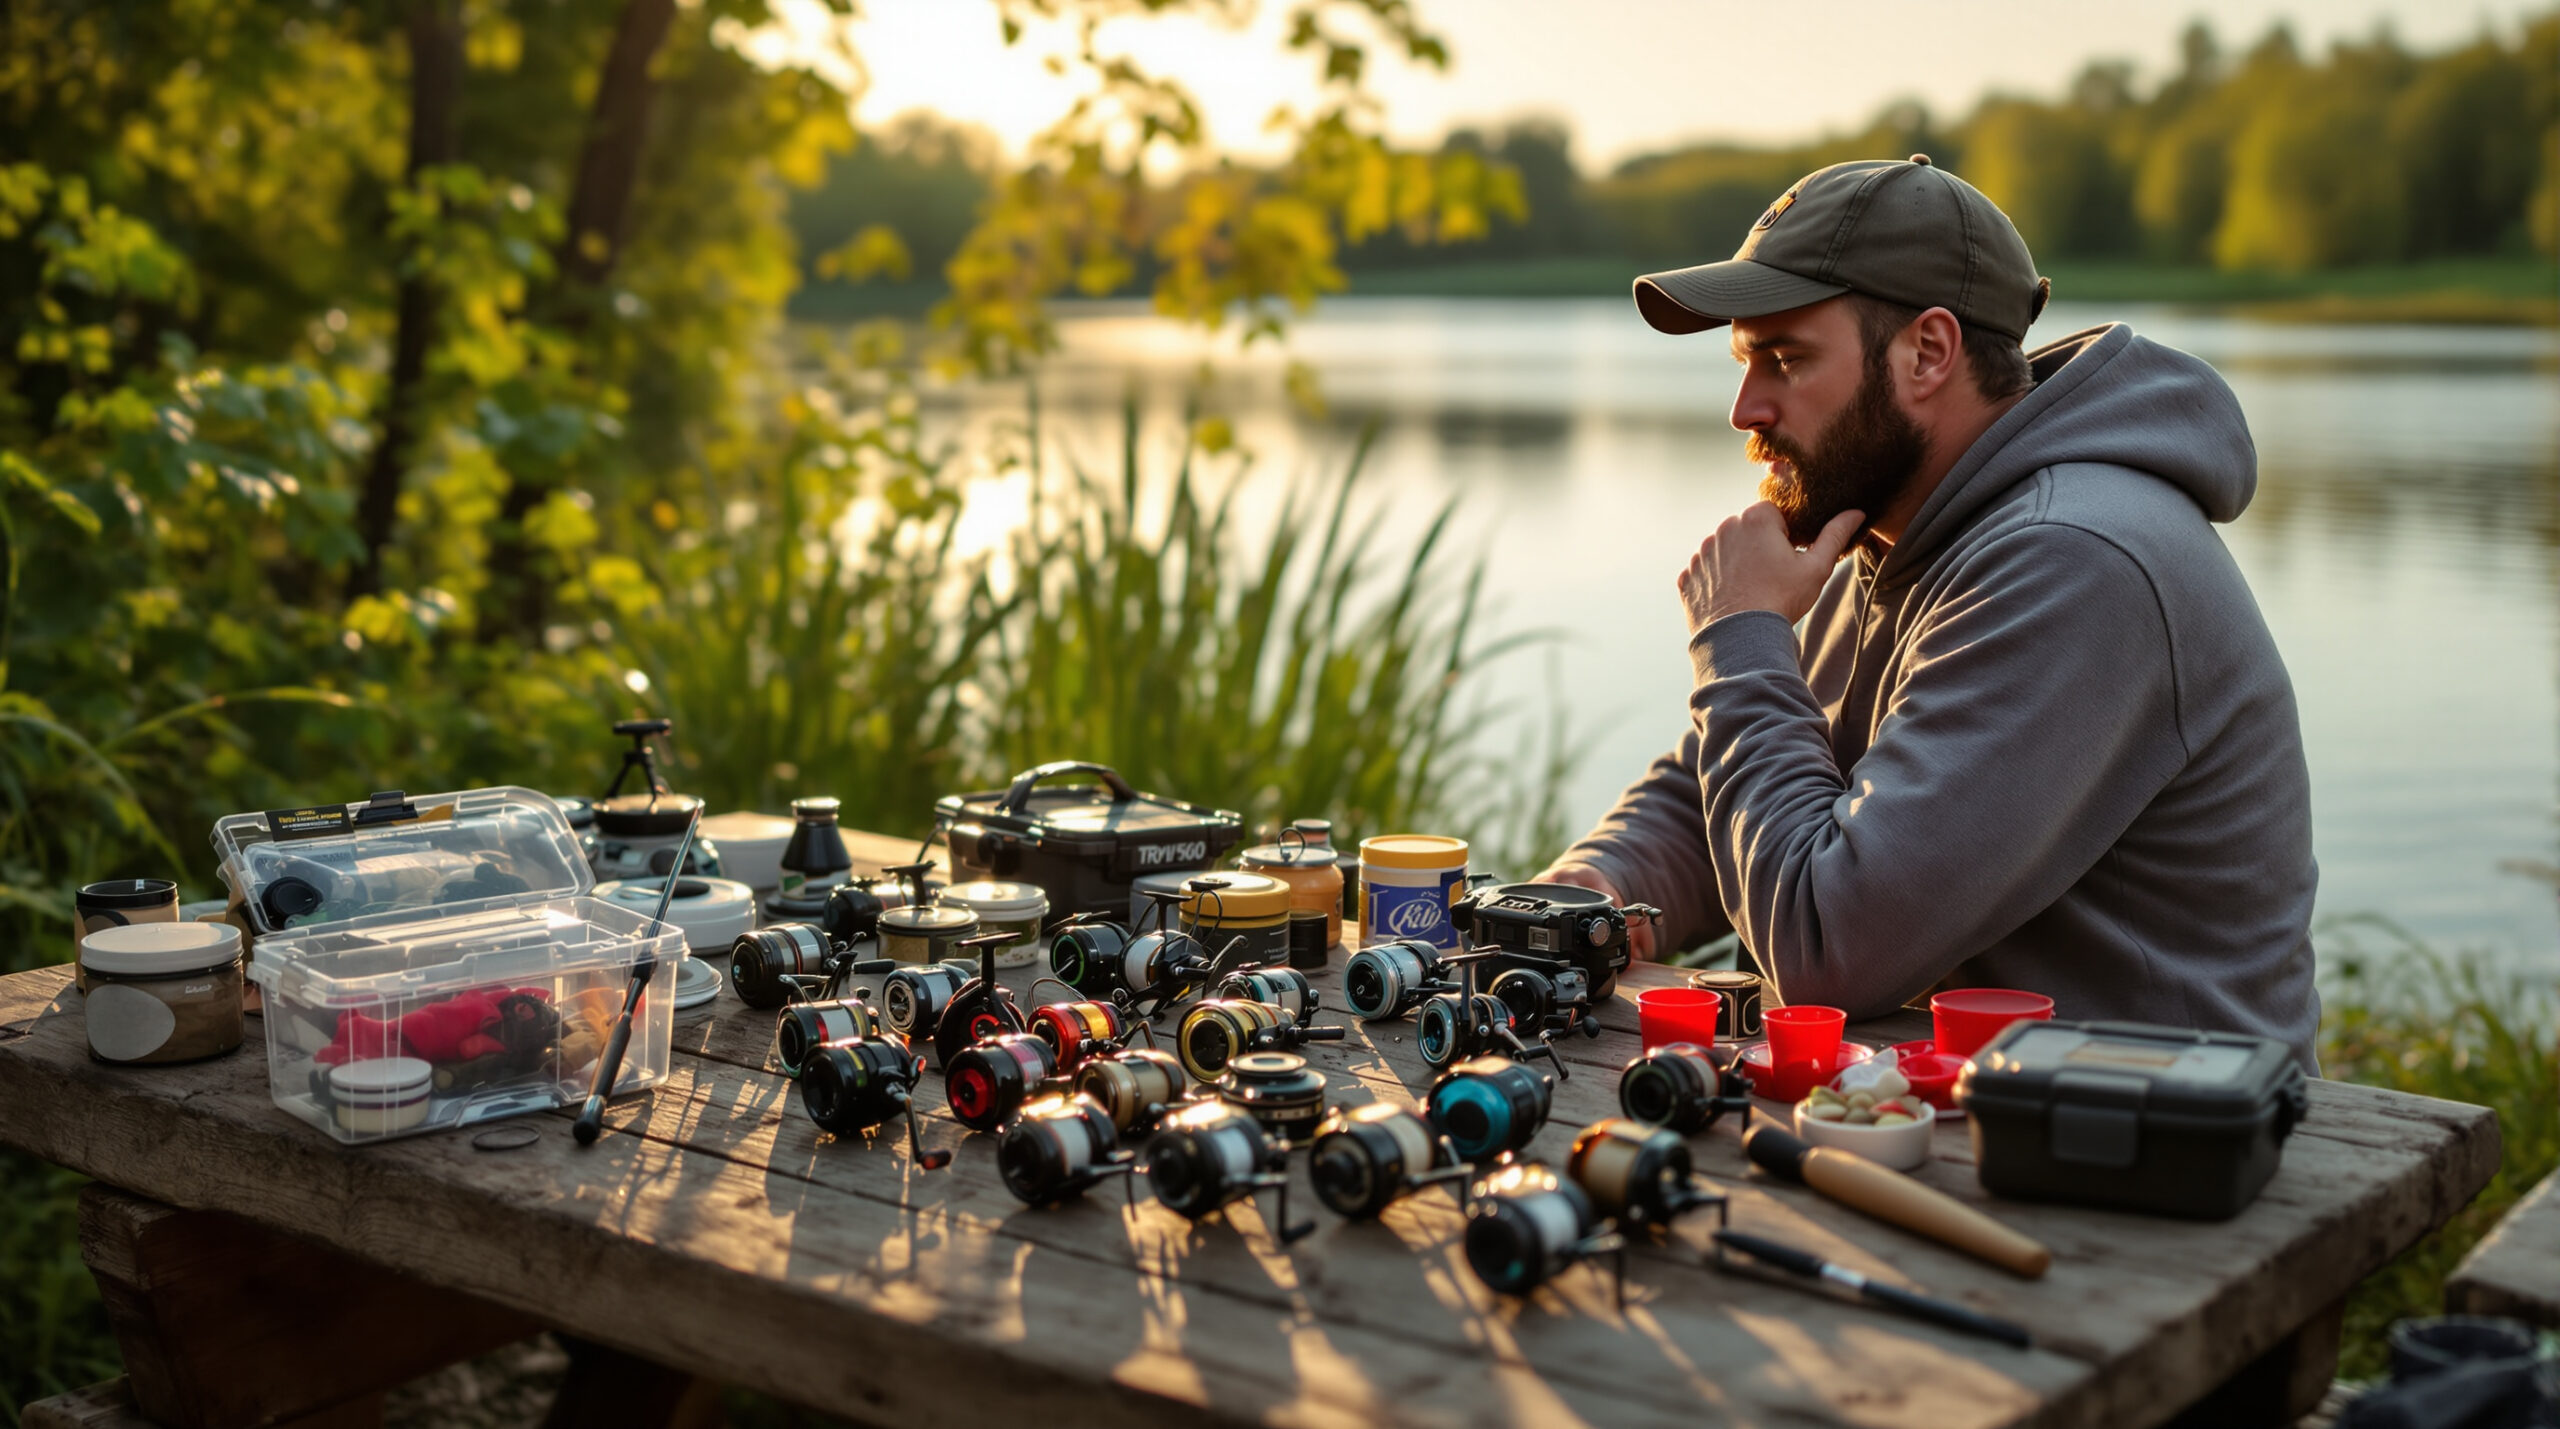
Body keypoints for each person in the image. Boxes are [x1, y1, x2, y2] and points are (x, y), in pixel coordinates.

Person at [1538, 155, 2320, 1069]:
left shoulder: (2071, 561)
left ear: (1929, 352)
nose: (1745, 408)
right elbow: (1730, 786)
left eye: (1786, 359)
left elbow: (1828, 949)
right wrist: (1597, 886)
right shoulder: (1892, 533)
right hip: (1957, 1115)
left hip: (2146, 1150)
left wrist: (1740, 639)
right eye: (1746, 361)